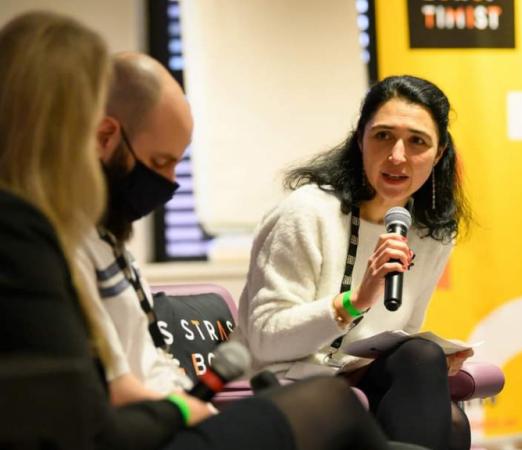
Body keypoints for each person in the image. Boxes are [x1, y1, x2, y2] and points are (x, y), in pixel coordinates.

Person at [0, 11, 419, 450]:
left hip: (162, 417)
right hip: (148, 431)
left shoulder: (99, 234)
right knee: (330, 402)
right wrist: (182, 411)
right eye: (161, 163)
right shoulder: (31, 236)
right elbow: (97, 409)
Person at [236, 75, 474, 449]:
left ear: (439, 153)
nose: (397, 155)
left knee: (424, 364)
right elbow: (267, 340)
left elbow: (404, 328)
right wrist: (356, 300)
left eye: (417, 141)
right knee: (446, 413)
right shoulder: (306, 213)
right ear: (360, 138)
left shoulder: (432, 234)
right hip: (290, 383)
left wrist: (439, 358)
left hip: (355, 378)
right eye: (383, 136)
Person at [76, 51, 197, 405]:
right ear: (105, 137)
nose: (171, 183)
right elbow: (115, 392)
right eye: (160, 162)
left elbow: (151, 361)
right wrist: (187, 414)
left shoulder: (110, 239)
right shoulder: (70, 245)